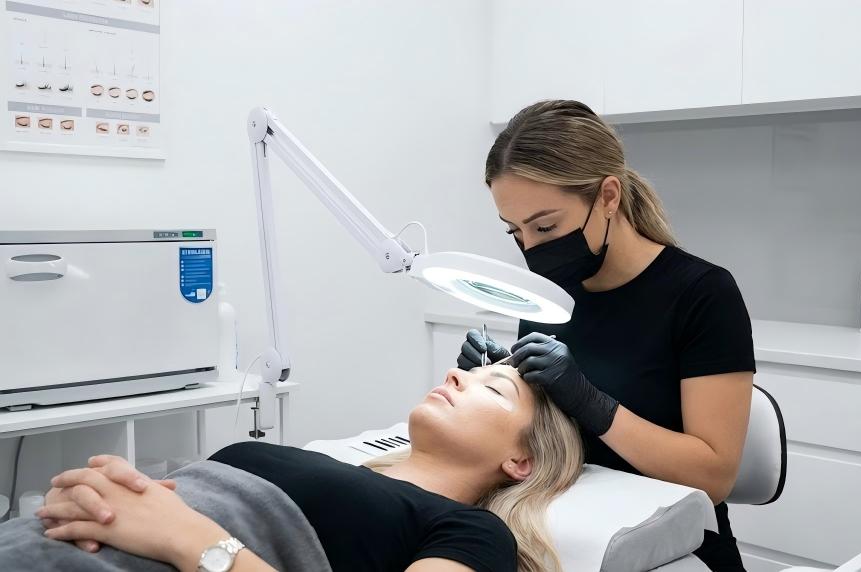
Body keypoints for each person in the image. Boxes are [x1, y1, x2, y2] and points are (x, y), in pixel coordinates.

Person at [459, 100, 756, 571]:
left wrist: (591, 403)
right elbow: (541, 440)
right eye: (514, 231)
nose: (531, 248)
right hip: (569, 531)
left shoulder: (702, 294)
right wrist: (496, 382)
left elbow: (714, 477)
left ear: (608, 197)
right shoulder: (546, 296)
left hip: (673, 549)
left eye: (545, 226)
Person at [1, 364, 583, 572]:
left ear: (521, 461)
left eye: (494, 388)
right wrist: (96, 499)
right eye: (470, 370)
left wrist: (190, 540)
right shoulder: (324, 461)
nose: (456, 374)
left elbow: (184, 530)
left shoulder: (474, 533)